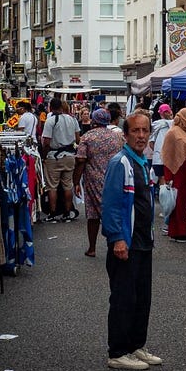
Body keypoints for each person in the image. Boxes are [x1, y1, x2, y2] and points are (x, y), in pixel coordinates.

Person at [101, 111, 162, 371]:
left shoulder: (141, 161)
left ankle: (136, 346)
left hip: (143, 242)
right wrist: (117, 239)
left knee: (141, 299)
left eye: (145, 130)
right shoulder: (120, 162)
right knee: (123, 299)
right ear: (125, 134)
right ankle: (118, 352)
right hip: (126, 243)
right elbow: (111, 204)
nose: (141, 135)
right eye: (135, 130)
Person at [75, 107, 126, 258]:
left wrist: (76, 181)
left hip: (93, 179)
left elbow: (81, 160)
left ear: (94, 120)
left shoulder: (87, 137)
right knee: (113, 211)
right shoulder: (117, 136)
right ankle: (116, 242)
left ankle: (92, 248)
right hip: (114, 179)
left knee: (93, 214)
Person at [160, 108, 186, 241]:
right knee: (179, 204)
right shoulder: (173, 133)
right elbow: (168, 155)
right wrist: (168, 177)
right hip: (179, 175)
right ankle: (179, 232)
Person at [41, 99, 80, 222]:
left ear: (50, 107)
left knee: (52, 186)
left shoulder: (50, 121)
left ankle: (53, 214)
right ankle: (67, 213)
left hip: (54, 156)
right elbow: (77, 138)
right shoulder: (72, 119)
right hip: (70, 156)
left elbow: (47, 142)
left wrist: (44, 156)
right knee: (68, 185)